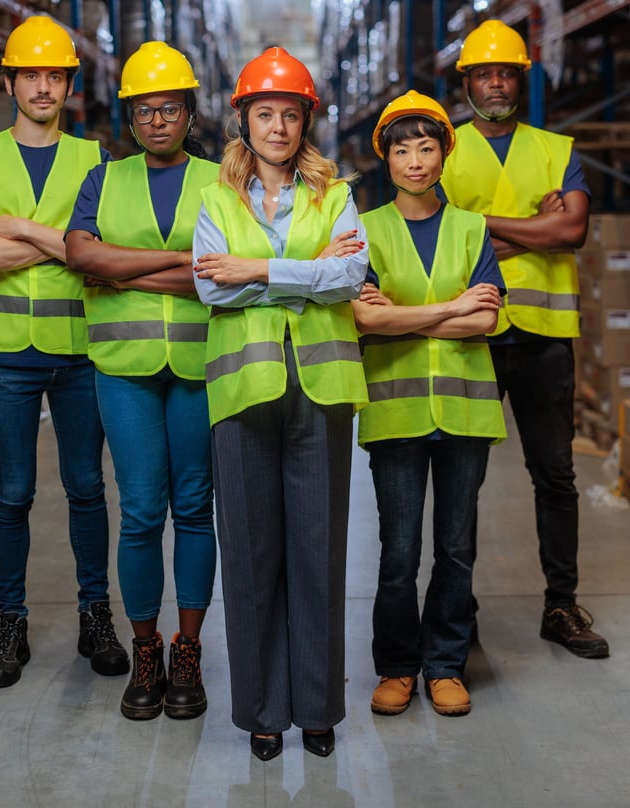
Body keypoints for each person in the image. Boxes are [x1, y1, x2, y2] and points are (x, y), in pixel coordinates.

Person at [193, 47, 368, 761]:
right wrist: (308, 273)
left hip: (319, 391)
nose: (276, 126)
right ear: (244, 121)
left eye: (289, 114)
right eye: (264, 113)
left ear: (305, 123)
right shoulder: (215, 199)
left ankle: (319, 707)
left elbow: (351, 275)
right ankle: (264, 710)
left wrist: (260, 268)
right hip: (243, 392)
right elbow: (212, 287)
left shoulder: (336, 194)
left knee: (319, 551)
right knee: (251, 552)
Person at [0, 15, 128, 688]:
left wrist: (19, 228)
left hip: (81, 349)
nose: (44, 86)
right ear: (10, 82)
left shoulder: (94, 160)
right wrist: (59, 244)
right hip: (3, 354)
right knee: (12, 493)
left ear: (69, 85)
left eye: (55, 75)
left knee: (87, 488)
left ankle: (95, 614)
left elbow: (97, 257)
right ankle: (10, 622)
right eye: (32, 74)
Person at [441, 19, 609, 659]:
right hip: (474, 332)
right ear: (467, 83)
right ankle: (460, 613)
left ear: (521, 78)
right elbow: (443, 242)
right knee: (464, 479)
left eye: (506, 72)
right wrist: (529, 225)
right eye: (484, 73)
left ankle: (561, 606)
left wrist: (480, 228)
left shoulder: (556, 148)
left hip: (543, 338)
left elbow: (571, 233)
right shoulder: (444, 149)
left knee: (556, 476)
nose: (495, 82)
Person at [65, 41, 219, 721]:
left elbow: (222, 270)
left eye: (169, 108)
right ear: (129, 119)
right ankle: (146, 647)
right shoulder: (103, 179)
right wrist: (179, 264)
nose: (157, 120)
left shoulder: (222, 181)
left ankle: (189, 649)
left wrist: (124, 266)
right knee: (139, 513)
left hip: (199, 368)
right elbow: (79, 254)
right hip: (123, 372)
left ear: (189, 112)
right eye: (144, 110)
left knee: (193, 508)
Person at [353, 91, 506, 718]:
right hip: (396, 414)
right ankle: (396, 665)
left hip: (466, 412)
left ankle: (445, 664)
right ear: (385, 160)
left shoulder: (473, 228)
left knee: (456, 548)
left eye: (426, 146)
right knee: (397, 551)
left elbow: (488, 319)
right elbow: (362, 319)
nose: (414, 160)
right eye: (401, 149)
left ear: (445, 152)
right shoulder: (364, 231)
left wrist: (406, 319)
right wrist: (449, 309)